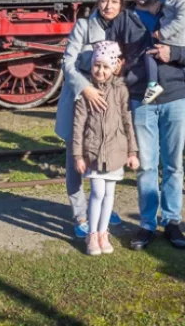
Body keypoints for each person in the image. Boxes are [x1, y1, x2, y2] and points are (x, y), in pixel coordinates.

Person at [106, 0, 185, 251]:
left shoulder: (177, 7)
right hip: (142, 99)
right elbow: (107, 52)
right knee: (147, 166)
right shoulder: (123, 19)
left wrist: (173, 52)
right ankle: (148, 224)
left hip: (176, 96)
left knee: (174, 165)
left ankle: (173, 221)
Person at [54, 0, 125, 239]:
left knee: (106, 156)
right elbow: (68, 63)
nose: (109, 6)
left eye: (114, 1)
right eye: (104, 0)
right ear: (98, 2)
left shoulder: (122, 28)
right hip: (80, 101)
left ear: (121, 5)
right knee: (75, 160)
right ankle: (80, 214)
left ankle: (104, 207)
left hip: (107, 106)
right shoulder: (83, 27)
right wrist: (85, 88)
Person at [72, 40, 140, 256]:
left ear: (113, 68)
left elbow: (127, 121)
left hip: (115, 151)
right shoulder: (86, 92)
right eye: (97, 65)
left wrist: (132, 152)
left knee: (109, 193)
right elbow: (78, 126)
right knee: (97, 192)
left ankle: (103, 232)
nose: (100, 71)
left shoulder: (120, 90)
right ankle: (92, 234)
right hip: (93, 152)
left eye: (105, 67)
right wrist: (78, 155)